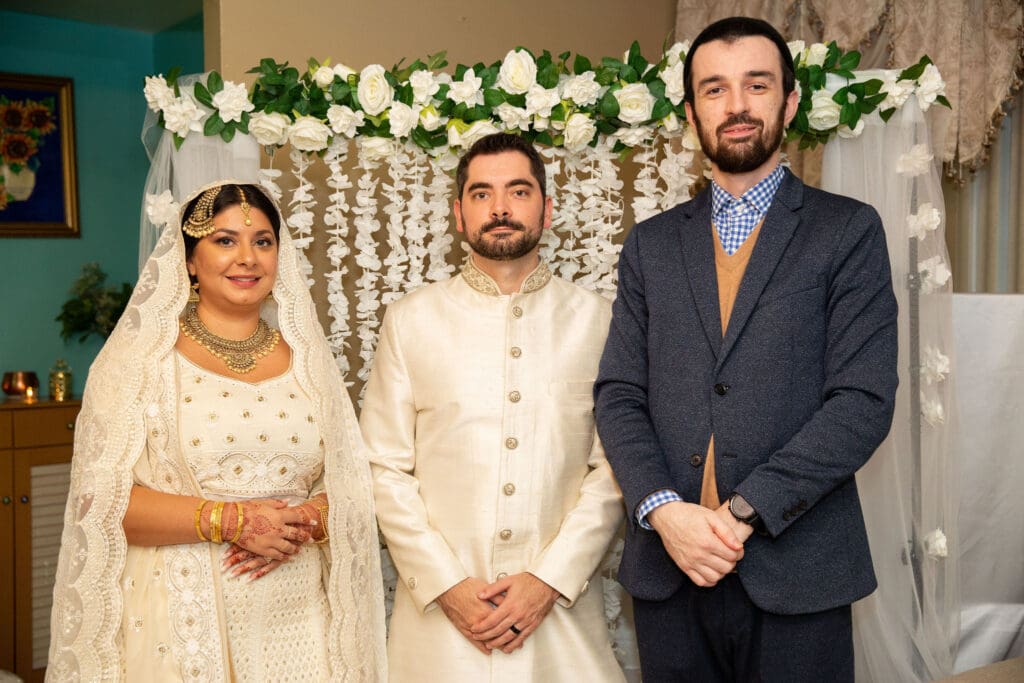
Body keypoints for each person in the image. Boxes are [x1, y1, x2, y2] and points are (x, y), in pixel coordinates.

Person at [594, 16, 899, 683]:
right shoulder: (649, 246)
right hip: (669, 573)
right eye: (714, 89)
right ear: (691, 112)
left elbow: (862, 403)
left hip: (800, 570)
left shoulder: (847, 232)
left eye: (756, 85)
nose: (736, 105)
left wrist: (738, 514)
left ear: (788, 103)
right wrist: (664, 511)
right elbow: (618, 394)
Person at [48, 177, 387, 681]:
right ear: (189, 260)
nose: (247, 258)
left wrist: (310, 520)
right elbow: (98, 504)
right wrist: (233, 521)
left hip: (301, 618)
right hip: (179, 618)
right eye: (224, 240)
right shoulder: (137, 364)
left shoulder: (311, 362)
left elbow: (351, 485)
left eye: (263, 241)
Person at [361, 132, 625, 681]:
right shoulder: (410, 321)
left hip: (562, 623)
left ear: (547, 209)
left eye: (518, 191)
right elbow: (382, 466)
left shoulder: (600, 322)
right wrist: (448, 587)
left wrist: (550, 579)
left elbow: (617, 466)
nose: (500, 208)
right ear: (458, 214)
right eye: (482, 194)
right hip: (440, 628)